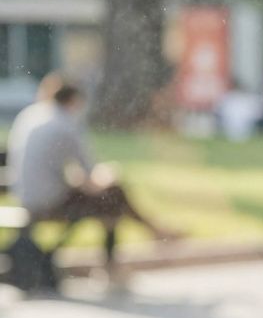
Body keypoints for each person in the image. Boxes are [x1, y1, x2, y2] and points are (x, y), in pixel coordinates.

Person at [8, 78, 180, 269]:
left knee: (112, 198)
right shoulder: (65, 123)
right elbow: (90, 174)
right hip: (47, 201)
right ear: (73, 100)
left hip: (24, 196)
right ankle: (121, 255)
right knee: (113, 195)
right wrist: (110, 174)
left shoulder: (31, 115)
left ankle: (150, 233)